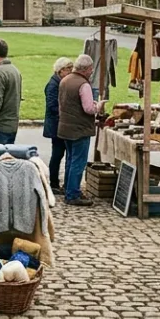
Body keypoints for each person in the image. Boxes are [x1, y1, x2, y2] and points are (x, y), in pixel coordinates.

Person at [59, 54, 103, 206]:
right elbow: (88, 108)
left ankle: (70, 189)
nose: (92, 72)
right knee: (78, 162)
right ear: (86, 69)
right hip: (80, 128)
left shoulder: (65, 80)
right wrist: (98, 106)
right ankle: (72, 194)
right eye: (91, 69)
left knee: (71, 160)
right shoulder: (83, 85)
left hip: (66, 126)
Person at [43, 57, 73, 192]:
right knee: (57, 155)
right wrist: (65, 112)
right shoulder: (53, 84)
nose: (70, 72)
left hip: (60, 124)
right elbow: (52, 106)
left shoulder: (60, 82)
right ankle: (54, 183)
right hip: (56, 126)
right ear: (60, 70)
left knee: (59, 154)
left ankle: (57, 182)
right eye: (68, 69)